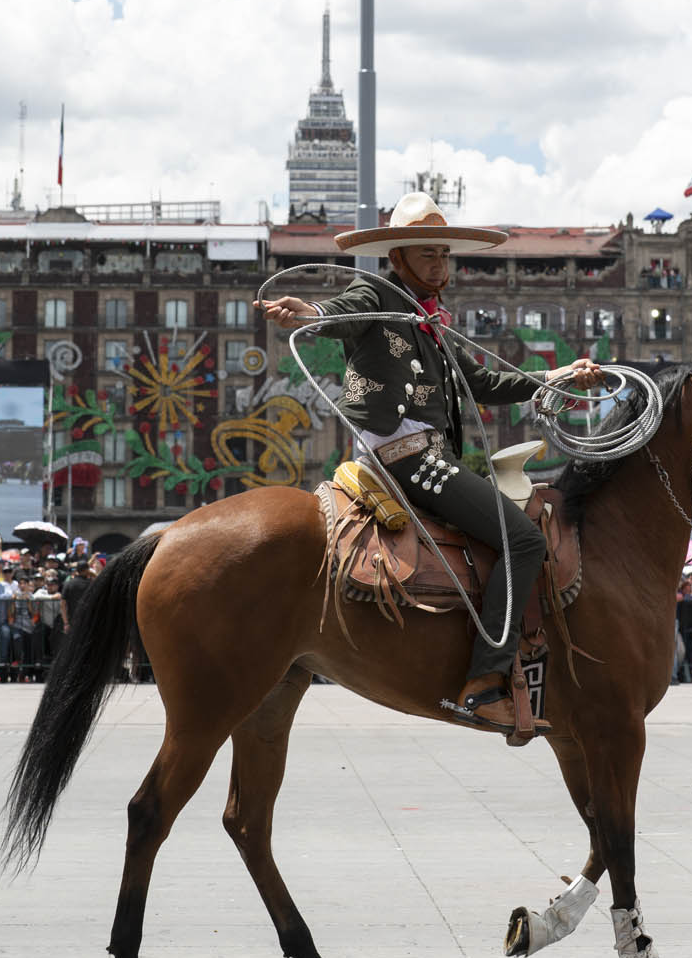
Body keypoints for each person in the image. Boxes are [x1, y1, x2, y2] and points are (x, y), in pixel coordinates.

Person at [256, 190, 604, 735]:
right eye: (427, 255)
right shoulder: (374, 292)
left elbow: (488, 381)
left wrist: (556, 379)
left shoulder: (432, 321)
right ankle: (486, 683)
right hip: (407, 459)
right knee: (526, 541)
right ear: (398, 258)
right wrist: (308, 311)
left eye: (444, 254)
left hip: (427, 456)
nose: (440, 265)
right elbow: (338, 314)